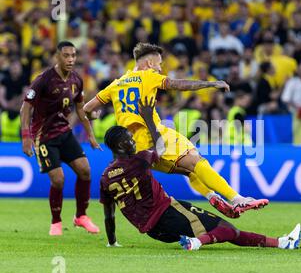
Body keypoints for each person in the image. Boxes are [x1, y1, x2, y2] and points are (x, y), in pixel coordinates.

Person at [83, 42, 268, 216]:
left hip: (135, 149)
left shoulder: (115, 84)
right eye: (159, 64)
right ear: (149, 63)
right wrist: (210, 84)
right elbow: (179, 85)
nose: (160, 69)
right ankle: (237, 199)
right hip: (154, 135)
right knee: (197, 162)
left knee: (188, 170)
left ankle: (212, 197)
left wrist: (94, 117)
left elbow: (87, 109)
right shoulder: (148, 76)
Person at [99, 97, 301, 251]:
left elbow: (109, 214)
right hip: (167, 213)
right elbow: (160, 148)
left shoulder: (106, 177)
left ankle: (283, 242)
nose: (134, 141)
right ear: (119, 145)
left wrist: (112, 242)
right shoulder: (140, 159)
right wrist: (149, 121)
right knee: (227, 230)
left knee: (226, 227)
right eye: (129, 138)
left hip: (153, 231)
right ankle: (197, 241)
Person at [20, 41, 101, 236]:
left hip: (64, 132)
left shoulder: (76, 80)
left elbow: (80, 109)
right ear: (57, 57)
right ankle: (56, 222)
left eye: (73, 55)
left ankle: (81, 216)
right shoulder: (43, 80)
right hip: (44, 136)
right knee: (58, 180)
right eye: (66, 55)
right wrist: (26, 136)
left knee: (85, 171)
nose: (71, 59)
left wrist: (90, 134)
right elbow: (26, 107)